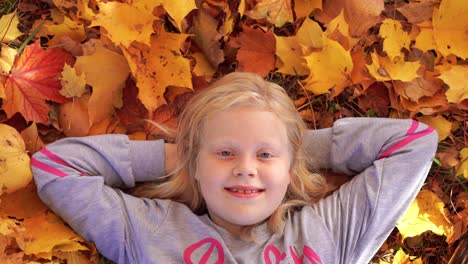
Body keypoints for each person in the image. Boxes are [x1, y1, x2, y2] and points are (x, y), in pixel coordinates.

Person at [31, 72, 438, 263]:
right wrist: (180, 158)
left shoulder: (329, 230)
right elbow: (55, 166)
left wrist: (291, 151)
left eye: (263, 155)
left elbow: (413, 143)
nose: (245, 168)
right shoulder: (151, 231)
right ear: (195, 161)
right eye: (225, 153)